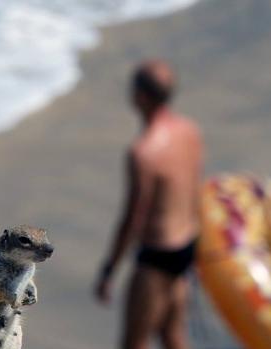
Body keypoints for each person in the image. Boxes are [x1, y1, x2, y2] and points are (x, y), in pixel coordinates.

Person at [94, 60, 204, 349]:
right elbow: (194, 189)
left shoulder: (142, 153)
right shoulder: (189, 131)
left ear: (140, 97)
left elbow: (134, 218)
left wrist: (109, 270)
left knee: (135, 342)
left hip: (157, 255)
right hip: (187, 246)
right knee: (172, 335)